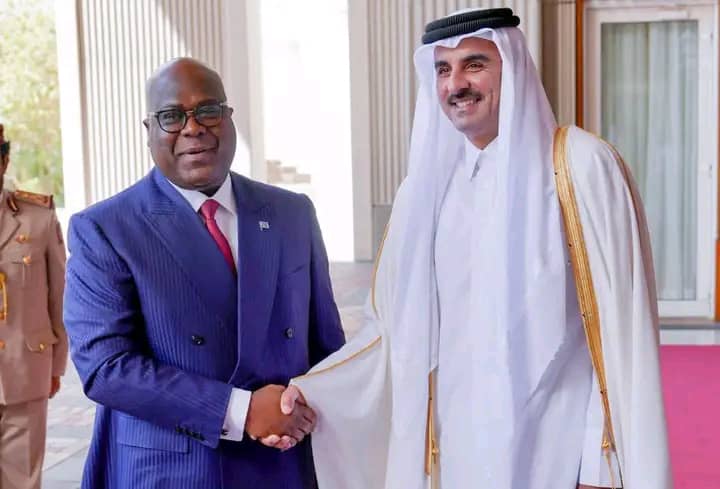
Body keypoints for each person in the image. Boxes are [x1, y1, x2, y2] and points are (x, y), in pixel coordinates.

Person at [270, 8, 671, 489]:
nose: (455, 84)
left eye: (474, 64)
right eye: (443, 69)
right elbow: (390, 334)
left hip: (553, 454)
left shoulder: (580, 167)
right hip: (453, 451)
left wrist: (600, 463)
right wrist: (314, 391)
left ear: (513, 67)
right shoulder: (423, 194)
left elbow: (619, 333)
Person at [63, 58, 345, 489]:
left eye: (208, 111)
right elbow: (106, 367)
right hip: (172, 470)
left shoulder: (291, 213)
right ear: (149, 130)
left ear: (229, 119)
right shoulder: (105, 228)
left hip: (283, 462)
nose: (193, 128)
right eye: (172, 116)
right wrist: (241, 411)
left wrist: (310, 409)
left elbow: (327, 347)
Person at [0, 123, 67, 489]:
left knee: (21, 480)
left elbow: (59, 296)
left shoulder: (37, 217)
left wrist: (56, 365)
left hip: (25, 371)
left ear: (5, 160)